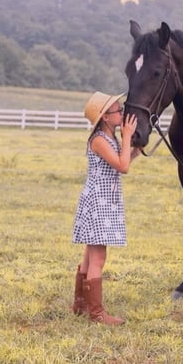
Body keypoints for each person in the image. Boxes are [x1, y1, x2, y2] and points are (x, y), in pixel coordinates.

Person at [71, 91, 139, 325]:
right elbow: (123, 167)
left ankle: (80, 304)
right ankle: (97, 315)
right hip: (98, 202)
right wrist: (128, 135)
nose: (121, 113)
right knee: (99, 258)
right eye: (117, 111)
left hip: (103, 201)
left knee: (90, 256)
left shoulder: (108, 138)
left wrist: (135, 148)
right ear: (105, 118)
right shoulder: (99, 139)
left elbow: (123, 160)